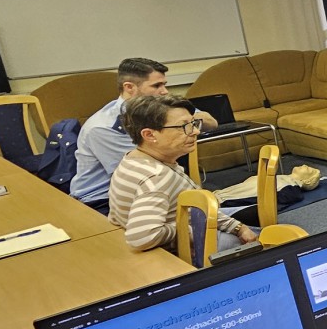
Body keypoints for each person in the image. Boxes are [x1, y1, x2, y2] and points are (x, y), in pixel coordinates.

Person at [107, 95, 257, 253]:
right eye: (183, 126)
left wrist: (238, 227)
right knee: (262, 241)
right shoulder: (157, 177)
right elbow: (142, 237)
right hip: (186, 252)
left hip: (193, 218)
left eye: (193, 123)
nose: (196, 131)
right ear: (149, 135)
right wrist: (190, 228)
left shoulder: (133, 158)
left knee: (249, 219)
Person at [71, 58, 216, 213]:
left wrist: (184, 122)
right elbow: (137, 174)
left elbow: (211, 122)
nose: (164, 91)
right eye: (156, 86)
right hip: (102, 199)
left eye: (164, 84)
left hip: (150, 186)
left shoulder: (160, 109)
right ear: (129, 87)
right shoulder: (103, 127)